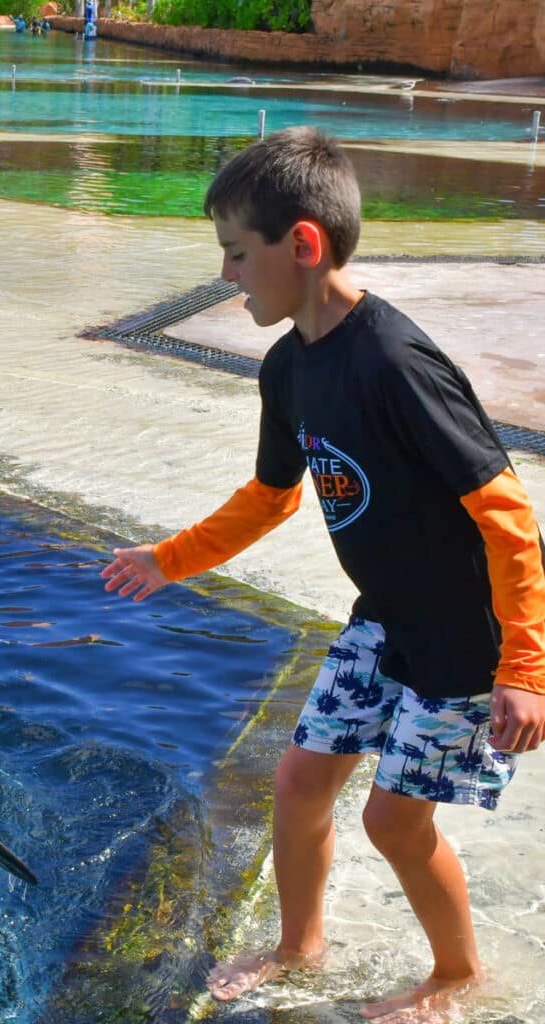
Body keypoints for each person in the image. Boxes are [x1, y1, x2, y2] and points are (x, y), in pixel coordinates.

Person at [101, 126, 545, 1023]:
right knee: (300, 780)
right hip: (382, 619)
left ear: (301, 245)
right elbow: (271, 497)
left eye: (236, 253)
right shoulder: (286, 369)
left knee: (393, 822)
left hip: (466, 641)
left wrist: (526, 667)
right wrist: (168, 558)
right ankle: (301, 944)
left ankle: (457, 974)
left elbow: (509, 518)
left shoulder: (396, 364)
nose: (226, 275)